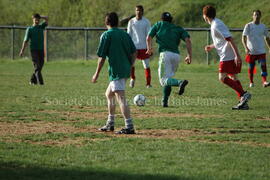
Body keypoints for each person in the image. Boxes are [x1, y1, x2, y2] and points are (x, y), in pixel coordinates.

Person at [92, 12, 136, 134]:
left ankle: (129, 126)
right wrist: (130, 65)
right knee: (109, 94)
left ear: (106, 23)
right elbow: (134, 52)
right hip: (123, 70)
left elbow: (101, 58)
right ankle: (110, 123)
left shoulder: (106, 35)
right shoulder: (125, 34)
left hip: (117, 71)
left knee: (120, 98)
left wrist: (96, 74)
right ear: (117, 22)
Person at [202, 5, 251, 110]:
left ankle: (244, 94)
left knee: (222, 78)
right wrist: (211, 46)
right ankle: (243, 103)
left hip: (227, 56)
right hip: (228, 54)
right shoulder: (215, 23)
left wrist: (237, 56)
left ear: (205, 16)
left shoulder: (216, 25)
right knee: (233, 78)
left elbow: (230, 39)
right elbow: (221, 40)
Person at [146, 12, 192, 107]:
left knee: (163, 80)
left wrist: (149, 49)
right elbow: (187, 40)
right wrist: (189, 55)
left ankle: (180, 82)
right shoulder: (177, 28)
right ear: (171, 20)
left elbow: (148, 37)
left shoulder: (159, 24)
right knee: (168, 79)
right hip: (176, 56)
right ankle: (165, 102)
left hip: (165, 54)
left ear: (161, 19)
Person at [242, 10, 270, 88]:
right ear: (252, 16)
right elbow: (243, 37)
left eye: (258, 15)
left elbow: (267, 38)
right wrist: (246, 48)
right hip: (251, 52)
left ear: (260, 16)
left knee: (263, 66)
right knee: (251, 68)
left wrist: (269, 48)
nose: (256, 16)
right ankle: (251, 82)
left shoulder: (263, 26)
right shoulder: (248, 26)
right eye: (255, 15)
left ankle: (264, 81)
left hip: (261, 51)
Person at [19, 13, 48, 85]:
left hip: (41, 50)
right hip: (34, 50)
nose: (37, 20)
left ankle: (32, 80)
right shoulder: (30, 29)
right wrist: (22, 50)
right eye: (35, 19)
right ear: (33, 19)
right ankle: (41, 83)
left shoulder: (41, 27)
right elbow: (25, 41)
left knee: (40, 66)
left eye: (38, 19)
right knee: (37, 67)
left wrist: (40, 16)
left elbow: (47, 18)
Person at [127, 5, 152, 88]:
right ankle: (132, 79)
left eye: (140, 10)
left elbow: (149, 35)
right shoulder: (131, 21)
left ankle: (148, 84)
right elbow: (129, 34)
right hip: (134, 47)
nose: (138, 12)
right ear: (135, 11)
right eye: (137, 10)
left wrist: (149, 47)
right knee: (131, 64)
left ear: (142, 12)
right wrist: (128, 46)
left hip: (144, 47)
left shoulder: (146, 22)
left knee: (146, 66)